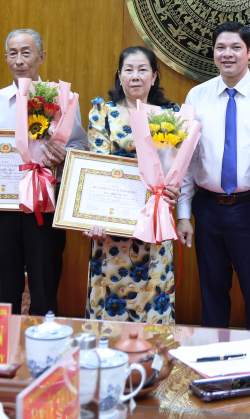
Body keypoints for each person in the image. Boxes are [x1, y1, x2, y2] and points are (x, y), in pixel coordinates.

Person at [176, 20, 250, 330]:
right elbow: (187, 160)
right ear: (213, 52)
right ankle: (213, 358)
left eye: (236, 47)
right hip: (207, 209)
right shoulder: (196, 96)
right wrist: (183, 215)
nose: (228, 54)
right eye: (221, 47)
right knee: (211, 295)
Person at [0, 28, 89, 316]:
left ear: (41, 57)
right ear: (6, 58)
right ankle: (7, 342)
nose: (19, 60)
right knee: (5, 291)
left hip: (44, 205)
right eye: (13, 53)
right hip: (3, 208)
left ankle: (45, 341)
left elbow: (80, 146)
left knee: (44, 290)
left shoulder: (62, 101)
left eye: (26, 53)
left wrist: (64, 156)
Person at [83, 46, 180, 323]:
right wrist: (93, 216)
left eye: (142, 70)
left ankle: (153, 350)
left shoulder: (168, 114)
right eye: (129, 70)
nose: (135, 76)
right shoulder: (103, 112)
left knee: (153, 294)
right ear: (119, 75)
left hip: (155, 223)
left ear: (154, 76)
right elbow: (97, 167)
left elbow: (175, 167)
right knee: (112, 300)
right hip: (113, 224)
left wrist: (173, 189)